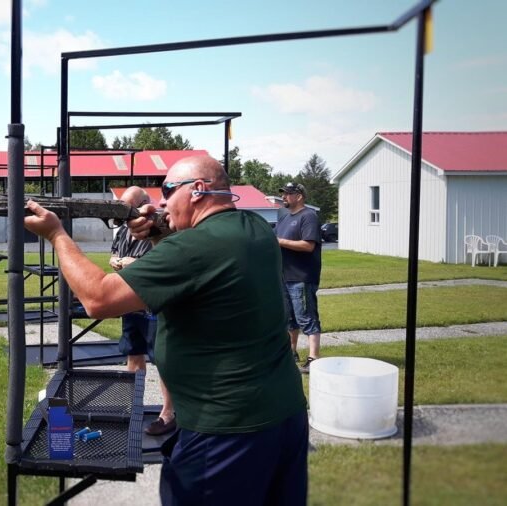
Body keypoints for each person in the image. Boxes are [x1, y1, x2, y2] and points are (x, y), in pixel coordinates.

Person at [24, 155, 308, 505]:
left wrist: (56, 234)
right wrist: (160, 232)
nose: (159, 202)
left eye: (167, 190)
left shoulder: (192, 248)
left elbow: (98, 298)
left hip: (223, 430)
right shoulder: (254, 228)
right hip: (284, 415)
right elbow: (196, 277)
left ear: (198, 190)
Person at [110, 186, 176, 436]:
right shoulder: (125, 230)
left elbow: (165, 263)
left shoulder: (161, 227)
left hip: (153, 304)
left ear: (145, 203)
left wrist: (134, 264)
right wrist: (116, 261)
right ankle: (131, 407)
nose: (126, 215)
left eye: (130, 208)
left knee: (161, 360)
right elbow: (115, 254)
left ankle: (168, 413)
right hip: (131, 301)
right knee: (133, 354)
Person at [276, 182, 323, 374]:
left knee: (306, 317)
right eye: (284, 194)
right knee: (289, 319)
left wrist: (280, 242)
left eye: (288, 194)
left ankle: (314, 358)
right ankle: (291, 353)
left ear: (300, 196)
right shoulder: (285, 218)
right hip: (285, 276)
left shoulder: (309, 216)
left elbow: (308, 245)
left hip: (302, 277)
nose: (284, 197)